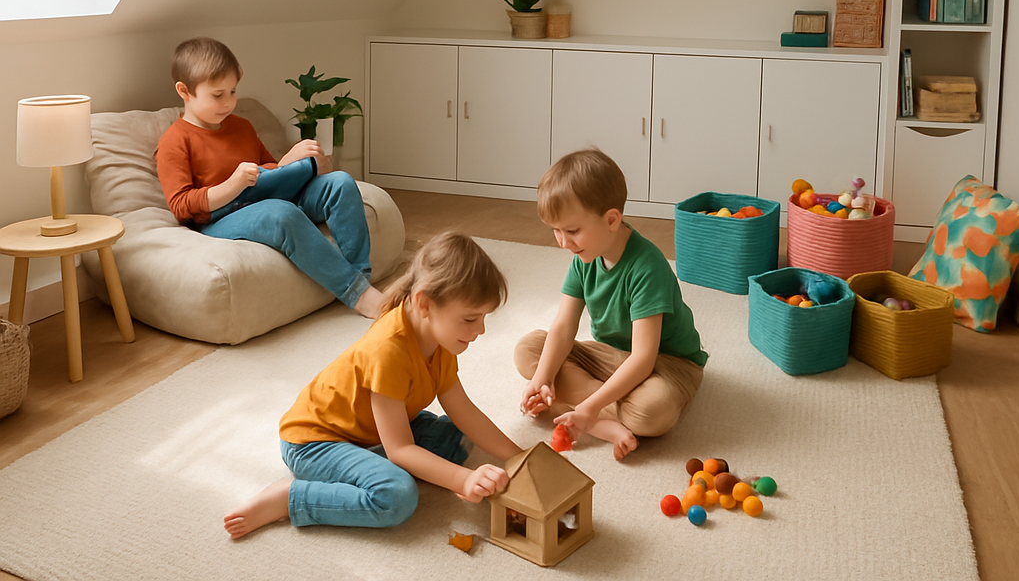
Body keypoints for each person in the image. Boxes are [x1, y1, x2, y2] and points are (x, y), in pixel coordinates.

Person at [223, 231, 521, 537]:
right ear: (425, 304)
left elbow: (464, 412)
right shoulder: (388, 349)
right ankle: (290, 498)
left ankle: (367, 467)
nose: (481, 329)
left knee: (454, 437)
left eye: (483, 318)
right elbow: (400, 448)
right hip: (314, 443)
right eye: (470, 319)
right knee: (396, 496)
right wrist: (462, 480)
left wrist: (520, 456)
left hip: (368, 433)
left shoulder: (440, 341)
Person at [155, 36, 383, 319]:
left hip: (269, 194)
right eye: (218, 95)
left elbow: (268, 168)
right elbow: (180, 205)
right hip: (220, 218)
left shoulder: (241, 126)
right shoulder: (174, 141)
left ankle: (360, 275)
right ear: (184, 91)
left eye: (233, 92)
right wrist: (231, 185)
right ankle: (356, 293)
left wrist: (292, 163)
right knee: (281, 213)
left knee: (340, 183)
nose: (228, 102)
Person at [515, 148, 706, 461]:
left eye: (572, 230)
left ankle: (588, 412)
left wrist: (589, 408)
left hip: (667, 363)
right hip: (611, 355)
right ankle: (605, 420)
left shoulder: (647, 266)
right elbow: (564, 326)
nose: (564, 242)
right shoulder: (584, 255)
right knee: (528, 350)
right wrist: (542, 379)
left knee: (650, 413)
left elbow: (644, 357)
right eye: (556, 231)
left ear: (612, 220)